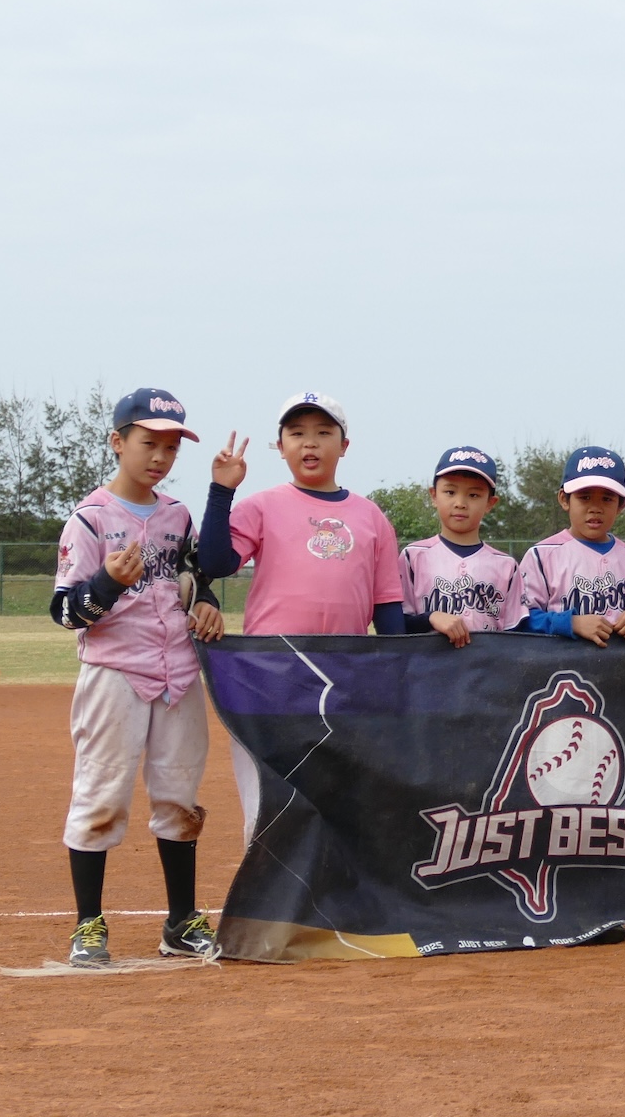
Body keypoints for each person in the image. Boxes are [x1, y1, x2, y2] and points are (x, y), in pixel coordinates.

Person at [49, 387, 226, 968]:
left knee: (179, 796)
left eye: (171, 448)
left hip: (178, 673)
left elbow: (194, 581)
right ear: (117, 442)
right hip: (115, 674)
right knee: (101, 795)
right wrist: (107, 584)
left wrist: (206, 603)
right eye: (148, 443)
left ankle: (180, 921)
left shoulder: (178, 516)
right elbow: (64, 612)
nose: (159, 457)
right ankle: (88, 924)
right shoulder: (90, 519)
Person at [196, 391, 405, 846]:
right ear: (280, 446)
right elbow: (214, 562)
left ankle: (331, 890)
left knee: (337, 803)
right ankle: (268, 889)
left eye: (323, 433)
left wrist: (394, 683)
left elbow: (388, 609)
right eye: (297, 433)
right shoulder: (262, 506)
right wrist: (222, 490)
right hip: (271, 676)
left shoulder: (371, 517)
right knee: (268, 804)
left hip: (344, 678)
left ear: (344, 446)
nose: (310, 443)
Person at [521, 446, 625, 643]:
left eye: (607, 499)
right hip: (562, 660)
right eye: (584, 497)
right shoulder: (541, 556)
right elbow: (522, 618)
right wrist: (570, 623)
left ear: (621, 504)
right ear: (564, 499)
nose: (595, 508)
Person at [397, 444, 523, 645]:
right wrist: (430, 618)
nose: (460, 503)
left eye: (473, 495)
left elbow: (516, 633)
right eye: (450, 492)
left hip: (488, 664)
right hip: (427, 663)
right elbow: (397, 625)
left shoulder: (506, 565)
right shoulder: (413, 556)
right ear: (433, 495)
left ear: (490, 503)